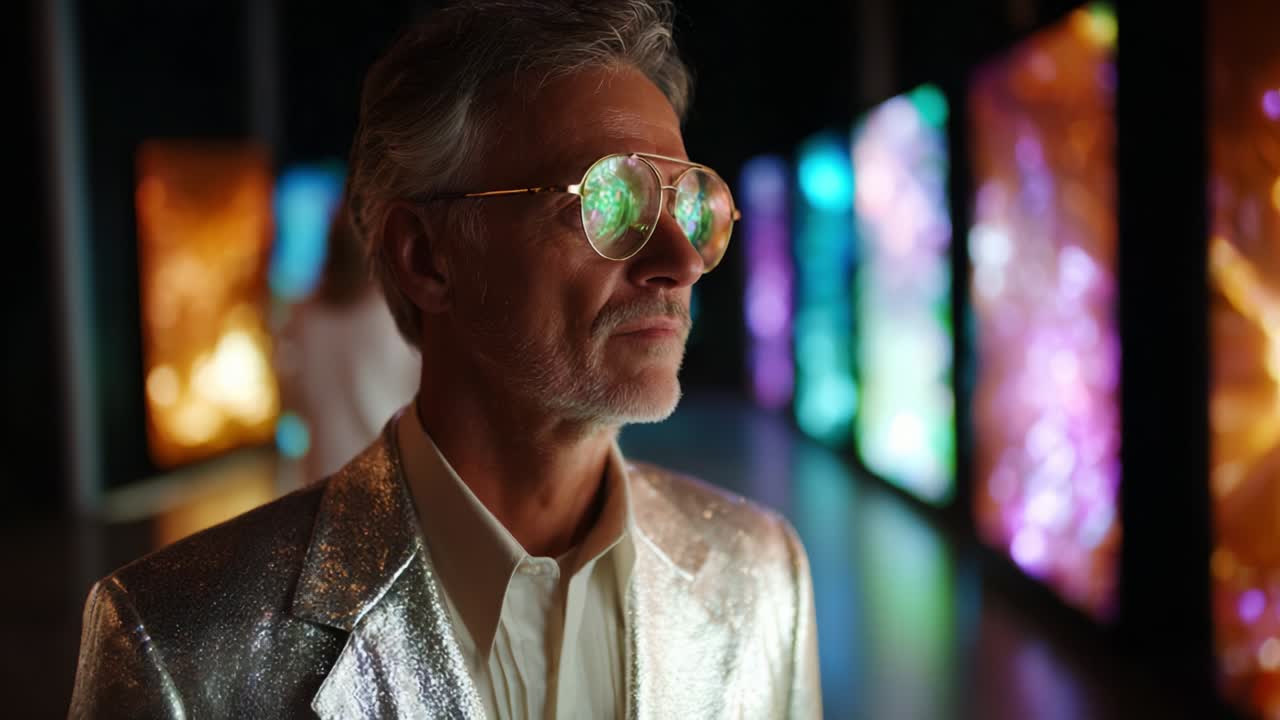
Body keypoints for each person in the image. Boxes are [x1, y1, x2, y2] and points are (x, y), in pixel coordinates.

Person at [69, 2, 821, 717]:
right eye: (607, 205)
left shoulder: (761, 576)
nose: (682, 260)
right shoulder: (179, 646)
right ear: (427, 256)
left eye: (691, 205)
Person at [276, 197, 420, 485]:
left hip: (322, 478)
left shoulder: (302, 315)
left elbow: (291, 400)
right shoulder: (394, 313)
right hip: (387, 478)